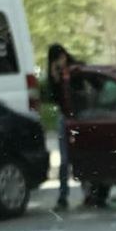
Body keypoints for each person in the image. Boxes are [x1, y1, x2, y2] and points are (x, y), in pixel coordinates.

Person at [47, 44, 80, 211]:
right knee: (64, 159)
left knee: (81, 155)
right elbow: (54, 97)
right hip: (65, 117)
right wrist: (55, 77)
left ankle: (90, 191)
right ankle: (63, 195)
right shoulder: (56, 76)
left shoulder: (75, 70)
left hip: (79, 116)